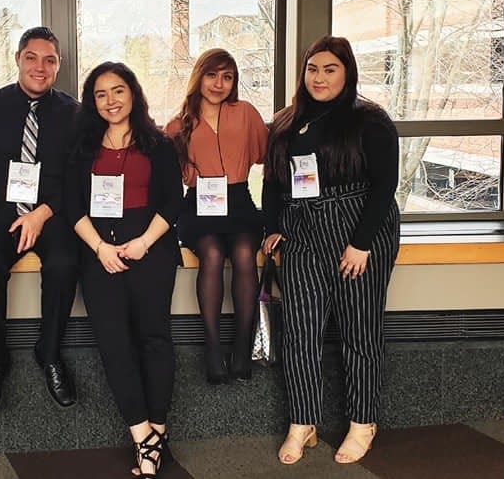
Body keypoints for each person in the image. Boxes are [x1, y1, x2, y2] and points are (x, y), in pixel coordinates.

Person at [262, 36, 399, 465]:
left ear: (347, 73)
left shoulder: (369, 120)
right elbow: (271, 183)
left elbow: (385, 185)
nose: (319, 78)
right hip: (303, 232)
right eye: (312, 69)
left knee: (359, 333)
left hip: (359, 229)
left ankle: (363, 423)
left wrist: (360, 244)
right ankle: (303, 423)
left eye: (330, 70)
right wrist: (272, 227)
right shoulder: (286, 121)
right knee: (300, 333)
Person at [0, 26, 80, 415]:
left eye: (50, 60)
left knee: (63, 264)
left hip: (51, 212)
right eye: (32, 58)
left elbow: (78, 177)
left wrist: (44, 212)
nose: (40, 67)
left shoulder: (74, 114)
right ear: (17, 59)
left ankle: (50, 352)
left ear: (58, 66)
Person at [65, 62, 182, 478]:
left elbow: (172, 203)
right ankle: (143, 438)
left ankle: (159, 428)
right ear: (91, 102)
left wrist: (143, 243)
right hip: (100, 252)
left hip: (150, 246)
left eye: (118, 91)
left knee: (154, 338)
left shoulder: (159, 144)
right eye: (100, 94)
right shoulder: (82, 148)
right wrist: (100, 248)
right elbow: (72, 207)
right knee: (115, 345)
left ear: (133, 93)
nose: (110, 101)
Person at [164, 48, 269, 384]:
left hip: (238, 201)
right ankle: (212, 348)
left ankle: (241, 345)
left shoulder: (247, 113)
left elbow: (268, 155)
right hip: (200, 204)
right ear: (199, 77)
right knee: (211, 254)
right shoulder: (177, 125)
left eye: (227, 77)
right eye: (212, 75)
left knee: (242, 253)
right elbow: (172, 174)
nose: (219, 84)